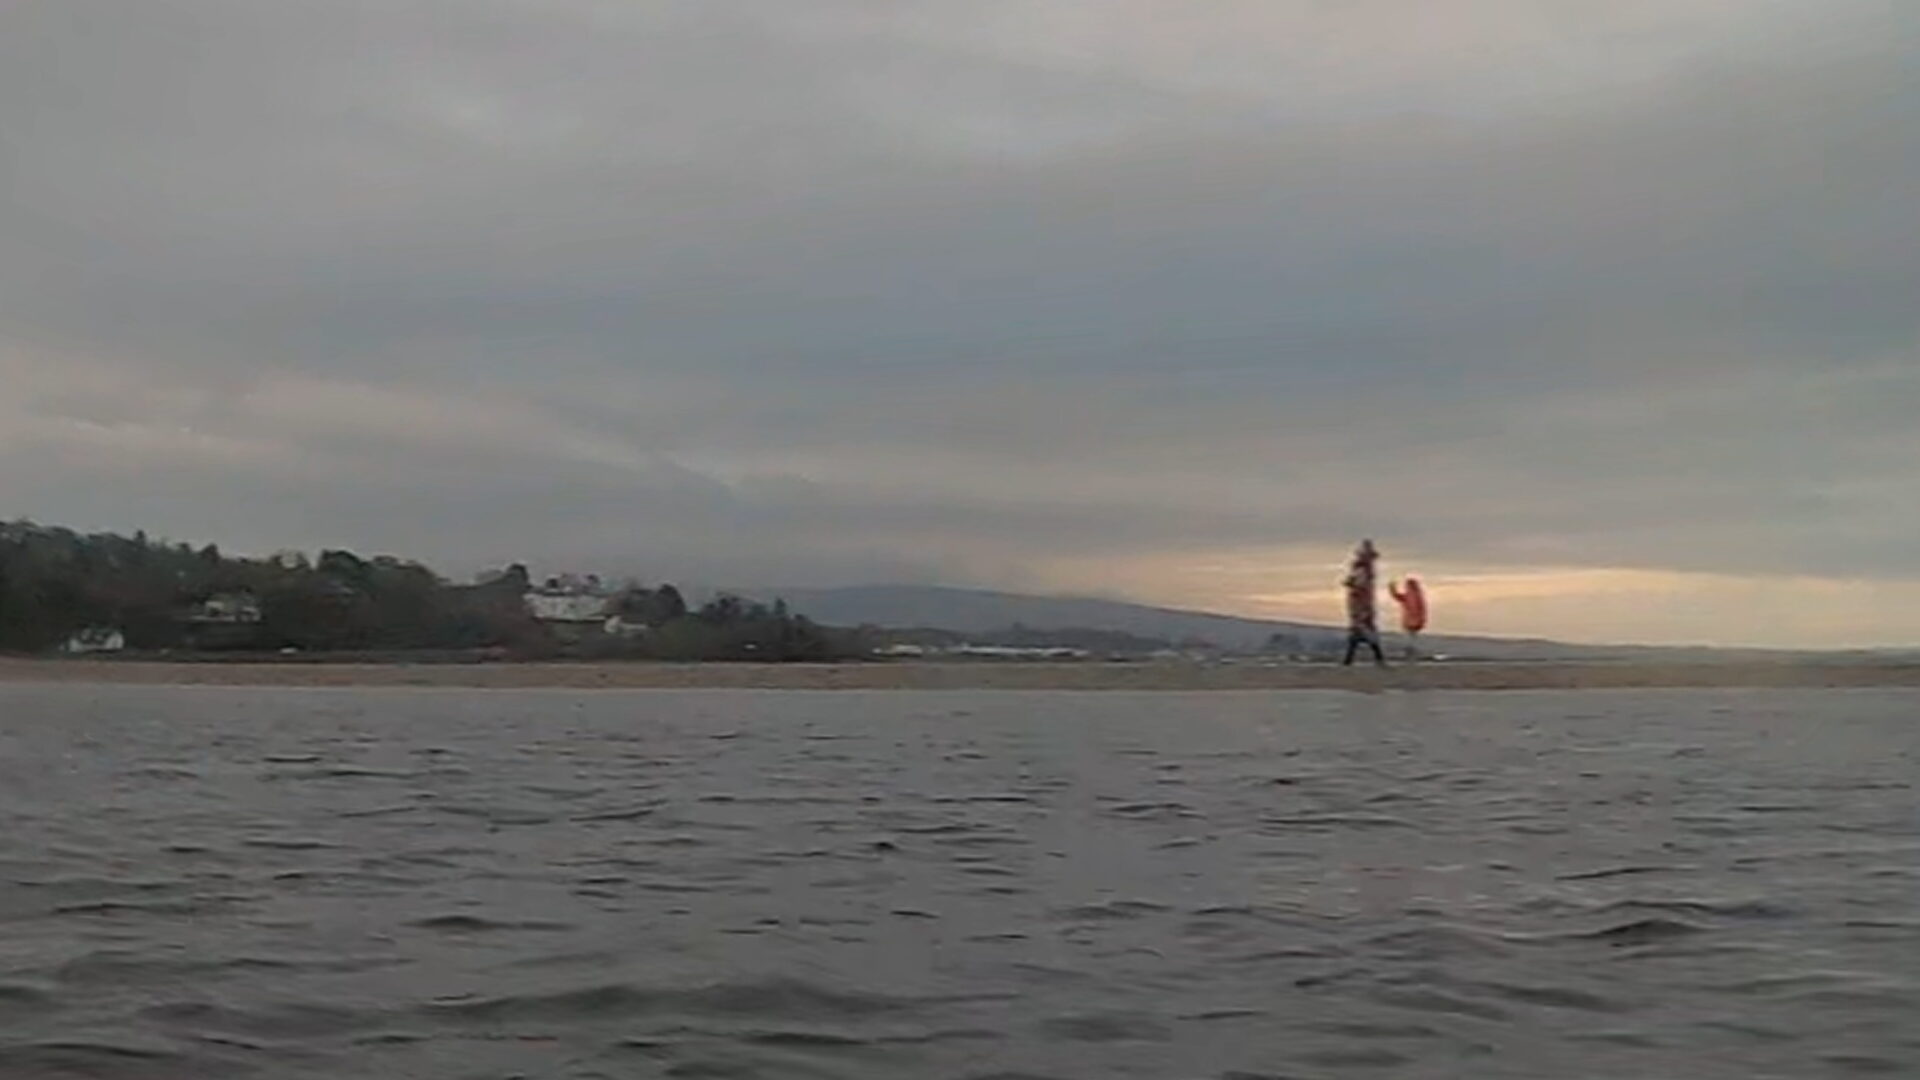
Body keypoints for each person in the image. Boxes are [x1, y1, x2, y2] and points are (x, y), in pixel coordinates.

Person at [1341, 539, 1387, 667]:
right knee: (1364, 629)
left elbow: (1358, 584)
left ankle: (1351, 659)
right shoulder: (1367, 569)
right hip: (1363, 602)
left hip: (1361, 602)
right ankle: (1376, 657)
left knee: (1361, 628)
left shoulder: (1362, 569)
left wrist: (1351, 585)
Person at [1390, 575, 1427, 661]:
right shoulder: (1417, 595)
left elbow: (1398, 597)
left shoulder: (1412, 596)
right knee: (1411, 637)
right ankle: (1411, 653)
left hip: (1411, 621)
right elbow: (1398, 597)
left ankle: (1410, 653)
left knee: (1409, 637)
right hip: (1414, 621)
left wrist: (1392, 588)